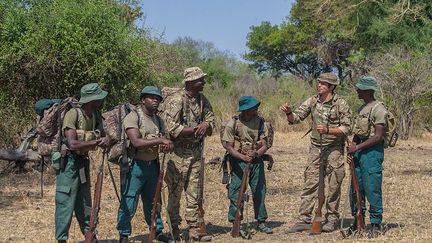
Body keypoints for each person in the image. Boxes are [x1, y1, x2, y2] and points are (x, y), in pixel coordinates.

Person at [281, 73, 352, 233]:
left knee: (334, 185)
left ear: (332, 87)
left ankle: (331, 219)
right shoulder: (312, 101)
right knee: (310, 183)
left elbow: (347, 127)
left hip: (334, 149)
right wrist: (288, 113)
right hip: (315, 148)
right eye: (319, 82)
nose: (319, 85)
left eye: (324, 84)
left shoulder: (340, 104)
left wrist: (329, 130)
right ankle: (304, 219)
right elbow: (296, 118)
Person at [161, 67, 214, 242]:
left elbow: (211, 119)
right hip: (177, 155)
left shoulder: (202, 100)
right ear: (190, 82)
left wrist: (206, 125)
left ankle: (193, 229)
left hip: (196, 154)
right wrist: (194, 130)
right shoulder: (176, 100)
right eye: (200, 80)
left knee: (194, 192)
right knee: (175, 193)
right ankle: (174, 228)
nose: (203, 82)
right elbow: (171, 128)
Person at [116, 86, 173, 243]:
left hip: (152, 165)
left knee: (153, 201)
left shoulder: (159, 120)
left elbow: (165, 140)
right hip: (135, 165)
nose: (155, 101)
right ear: (142, 100)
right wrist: (161, 140)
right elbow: (136, 142)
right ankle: (123, 234)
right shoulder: (133, 117)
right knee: (129, 200)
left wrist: (167, 145)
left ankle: (157, 230)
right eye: (151, 97)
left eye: (158, 98)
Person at [55, 83, 110, 242]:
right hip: (69, 164)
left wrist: (106, 140)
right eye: (100, 97)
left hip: (83, 163)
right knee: (65, 203)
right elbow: (72, 144)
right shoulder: (73, 115)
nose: (103, 100)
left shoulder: (96, 115)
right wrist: (97, 142)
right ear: (93, 100)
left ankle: (90, 236)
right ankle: (62, 239)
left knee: (85, 202)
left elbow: (105, 137)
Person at [222, 96, 273, 234]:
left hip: (256, 162)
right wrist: (243, 157)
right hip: (238, 162)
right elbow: (229, 147)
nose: (256, 110)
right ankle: (235, 221)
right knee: (236, 192)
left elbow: (265, 144)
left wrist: (256, 154)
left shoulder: (261, 122)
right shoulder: (233, 124)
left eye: (256, 107)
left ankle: (261, 221)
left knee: (259, 190)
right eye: (253, 108)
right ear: (245, 110)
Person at [346, 76, 387, 238]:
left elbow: (377, 136)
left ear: (368, 91)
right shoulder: (362, 108)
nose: (357, 91)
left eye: (360, 88)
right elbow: (358, 132)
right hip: (359, 151)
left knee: (372, 188)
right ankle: (357, 220)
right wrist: (352, 151)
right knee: (356, 187)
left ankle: (376, 223)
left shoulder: (379, 109)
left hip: (372, 152)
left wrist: (358, 147)